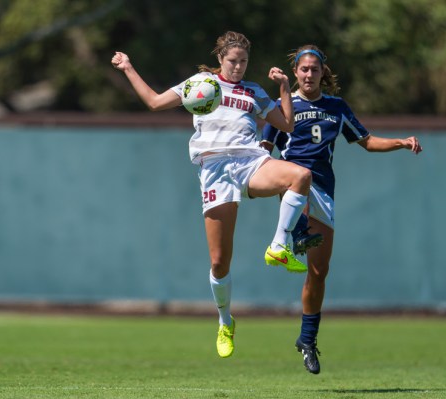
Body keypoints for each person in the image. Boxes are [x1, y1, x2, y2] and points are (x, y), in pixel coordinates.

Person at [112, 31, 314, 359]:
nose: (238, 67)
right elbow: (153, 102)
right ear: (221, 58)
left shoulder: (254, 92)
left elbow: (288, 125)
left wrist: (284, 89)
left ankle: (278, 245)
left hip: (250, 160)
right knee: (220, 262)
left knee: (300, 176)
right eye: (233, 61)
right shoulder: (201, 84)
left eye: (244, 61)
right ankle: (224, 321)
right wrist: (128, 68)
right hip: (215, 169)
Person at [261, 45, 422, 374]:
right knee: (295, 179)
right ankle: (294, 234)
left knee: (319, 272)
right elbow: (262, 150)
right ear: (295, 73)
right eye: (303, 69)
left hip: (324, 191)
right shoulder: (281, 107)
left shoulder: (336, 107)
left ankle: (307, 340)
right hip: (292, 184)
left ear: (322, 72)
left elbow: (366, 140)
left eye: (314, 69)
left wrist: (401, 142)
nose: (308, 74)